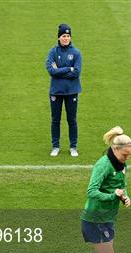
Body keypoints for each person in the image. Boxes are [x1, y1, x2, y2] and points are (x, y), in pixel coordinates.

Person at [58, 126, 131, 253]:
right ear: (115, 150)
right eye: (124, 155)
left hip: (107, 218)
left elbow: (121, 186)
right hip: (94, 218)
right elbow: (91, 191)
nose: (127, 158)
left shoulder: (121, 164)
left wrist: (124, 197)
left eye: (129, 155)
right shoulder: (103, 165)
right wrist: (112, 196)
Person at [46, 23, 82, 157]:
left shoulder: (76, 53)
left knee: (71, 119)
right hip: (56, 91)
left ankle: (73, 147)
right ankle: (55, 146)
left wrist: (59, 70)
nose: (66, 38)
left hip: (72, 91)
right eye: (63, 36)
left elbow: (77, 72)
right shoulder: (52, 52)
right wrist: (69, 69)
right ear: (58, 38)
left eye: (68, 36)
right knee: (55, 119)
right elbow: (50, 70)